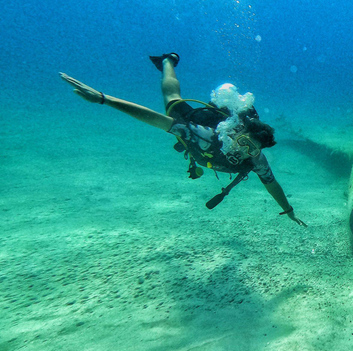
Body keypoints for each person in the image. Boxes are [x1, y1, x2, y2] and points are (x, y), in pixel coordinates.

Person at [59, 53, 306, 227]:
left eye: (253, 149)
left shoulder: (257, 160)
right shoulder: (202, 135)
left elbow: (272, 185)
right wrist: (105, 99)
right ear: (233, 134)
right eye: (244, 142)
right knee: (170, 97)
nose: (245, 152)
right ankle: (168, 60)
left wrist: (289, 211)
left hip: (208, 144)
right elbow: (155, 119)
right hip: (197, 127)